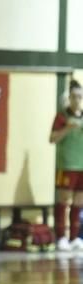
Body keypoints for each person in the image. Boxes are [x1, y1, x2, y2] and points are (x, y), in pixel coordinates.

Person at [50, 79, 83, 251]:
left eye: (79, 96)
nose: (77, 100)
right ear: (69, 98)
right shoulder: (62, 116)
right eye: (74, 96)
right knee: (64, 199)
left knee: (79, 201)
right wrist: (67, 129)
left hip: (82, 166)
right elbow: (52, 139)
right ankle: (61, 237)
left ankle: (74, 237)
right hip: (66, 164)